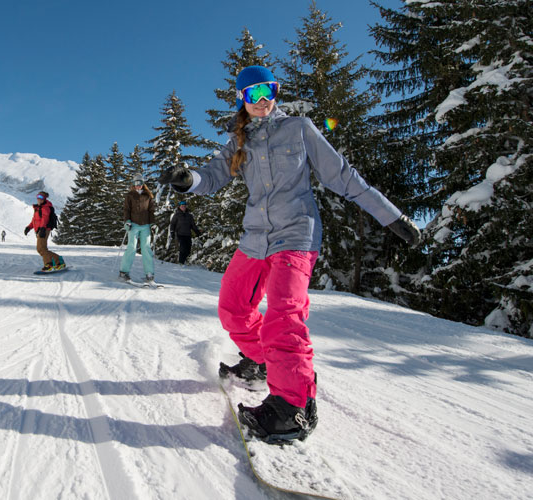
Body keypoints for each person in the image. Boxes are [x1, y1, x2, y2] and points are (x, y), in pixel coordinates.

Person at [159, 65, 420, 444]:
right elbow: (212, 176)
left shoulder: (299, 128)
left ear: (276, 92)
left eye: (269, 91)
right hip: (255, 238)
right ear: (242, 101)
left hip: (296, 235)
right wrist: (189, 180)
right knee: (233, 307)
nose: (263, 101)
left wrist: (390, 215)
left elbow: (342, 176)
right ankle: (263, 363)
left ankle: (292, 407)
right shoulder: (239, 141)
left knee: (283, 314)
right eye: (253, 96)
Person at [119, 173, 157, 284]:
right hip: (134, 225)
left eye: (140, 183)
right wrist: (127, 221)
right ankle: (124, 272)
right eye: (136, 183)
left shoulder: (148, 196)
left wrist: (152, 223)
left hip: (145, 225)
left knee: (146, 249)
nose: (138, 185)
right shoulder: (130, 195)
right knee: (131, 247)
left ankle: (149, 274)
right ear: (133, 184)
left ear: (143, 183)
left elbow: (151, 211)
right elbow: (126, 210)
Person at [24, 191, 65, 271]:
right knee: (41, 249)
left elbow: (44, 219)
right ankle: (59, 261)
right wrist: (28, 228)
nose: (39, 199)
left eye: (41, 197)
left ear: (44, 199)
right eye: (38, 197)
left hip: (44, 229)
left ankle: (49, 264)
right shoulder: (38, 208)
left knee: (41, 249)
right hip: (40, 230)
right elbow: (34, 220)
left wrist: (42, 229)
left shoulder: (45, 207)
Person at [170, 200, 202, 264]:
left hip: (188, 234)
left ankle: (183, 261)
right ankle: (181, 262)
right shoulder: (176, 215)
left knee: (188, 250)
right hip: (180, 234)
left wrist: (197, 231)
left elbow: (193, 225)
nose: (183, 207)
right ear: (179, 207)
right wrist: (172, 232)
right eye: (182, 206)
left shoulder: (189, 216)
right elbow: (172, 224)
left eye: (184, 206)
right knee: (183, 248)